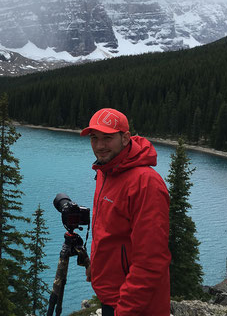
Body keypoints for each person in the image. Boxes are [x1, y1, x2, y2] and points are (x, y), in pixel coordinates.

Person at [80, 108, 171, 316]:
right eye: (94, 138)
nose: (100, 146)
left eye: (107, 138)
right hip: (113, 296)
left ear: (125, 137)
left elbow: (151, 260)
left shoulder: (145, 183)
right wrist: (97, 262)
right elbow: (110, 229)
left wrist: (126, 310)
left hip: (136, 306)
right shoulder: (107, 170)